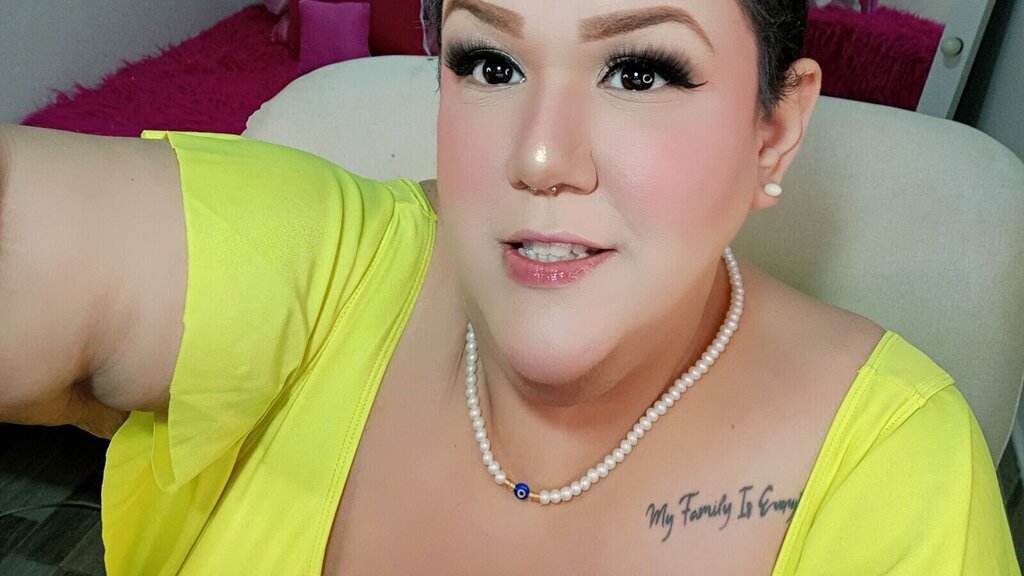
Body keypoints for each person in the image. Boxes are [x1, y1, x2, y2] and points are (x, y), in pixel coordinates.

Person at [0, 0, 1018, 573]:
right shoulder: (333, 262)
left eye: (638, 72)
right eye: (490, 64)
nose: (538, 154)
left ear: (774, 131)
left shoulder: (892, 473)